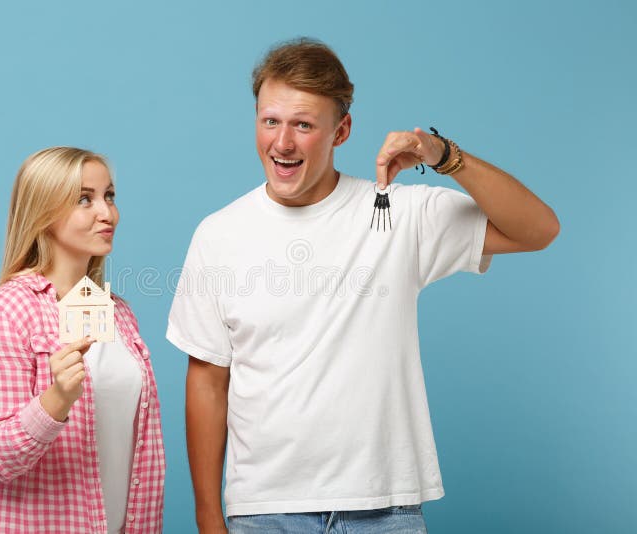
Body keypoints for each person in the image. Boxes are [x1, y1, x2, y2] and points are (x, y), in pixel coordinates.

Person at [167, 38, 559, 533]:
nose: (282, 143)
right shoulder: (218, 234)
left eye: (304, 125)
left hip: (386, 510)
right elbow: (206, 379)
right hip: (265, 512)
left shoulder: (398, 212)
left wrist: (445, 157)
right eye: (271, 121)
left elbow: (538, 229)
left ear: (342, 129)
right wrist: (208, 517)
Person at [0, 147, 164, 534]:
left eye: (109, 196)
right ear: (43, 212)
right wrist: (55, 401)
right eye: (84, 199)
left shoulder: (114, 311)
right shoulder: (4, 314)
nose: (107, 213)